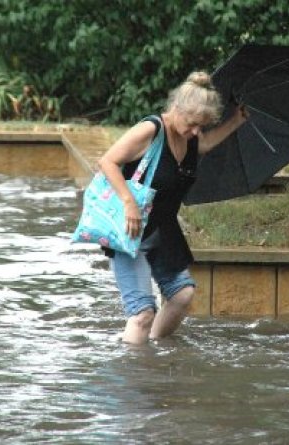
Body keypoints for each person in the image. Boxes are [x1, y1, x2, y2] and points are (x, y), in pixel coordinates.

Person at [98, 71, 248, 345]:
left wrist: (236, 120)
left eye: (201, 126)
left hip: (162, 227)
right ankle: (133, 378)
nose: (195, 132)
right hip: (131, 228)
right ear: (176, 108)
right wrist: (128, 203)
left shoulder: (191, 138)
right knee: (142, 313)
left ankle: (152, 349)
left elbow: (203, 144)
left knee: (182, 295)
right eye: (192, 124)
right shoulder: (150, 130)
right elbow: (107, 161)